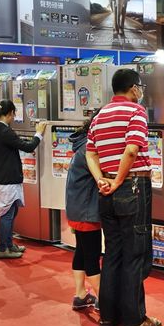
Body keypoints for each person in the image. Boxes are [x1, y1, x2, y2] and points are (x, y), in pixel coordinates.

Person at [86, 69, 161, 326]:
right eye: (140, 87)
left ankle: (108, 316)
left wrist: (101, 180)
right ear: (133, 88)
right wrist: (118, 181)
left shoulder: (100, 115)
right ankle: (134, 318)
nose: (141, 92)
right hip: (133, 186)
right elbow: (131, 150)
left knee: (113, 254)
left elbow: (90, 153)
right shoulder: (136, 112)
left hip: (106, 189)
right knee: (135, 254)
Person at [0, 100, 47, 259]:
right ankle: (3, 248)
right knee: (8, 213)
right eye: (13, 114)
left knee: (11, 210)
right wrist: (38, 133)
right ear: (9, 113)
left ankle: (9, 244)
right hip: (7, 179)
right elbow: (28, 146)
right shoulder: (4, 131)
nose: (13, 117)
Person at [65, 109, 102, 311]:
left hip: (77, 208)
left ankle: (80, 295)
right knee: (92, 256)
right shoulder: (90, 149)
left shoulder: (82, 143)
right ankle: (105, 301)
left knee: (81, 251)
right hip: (86, 211)